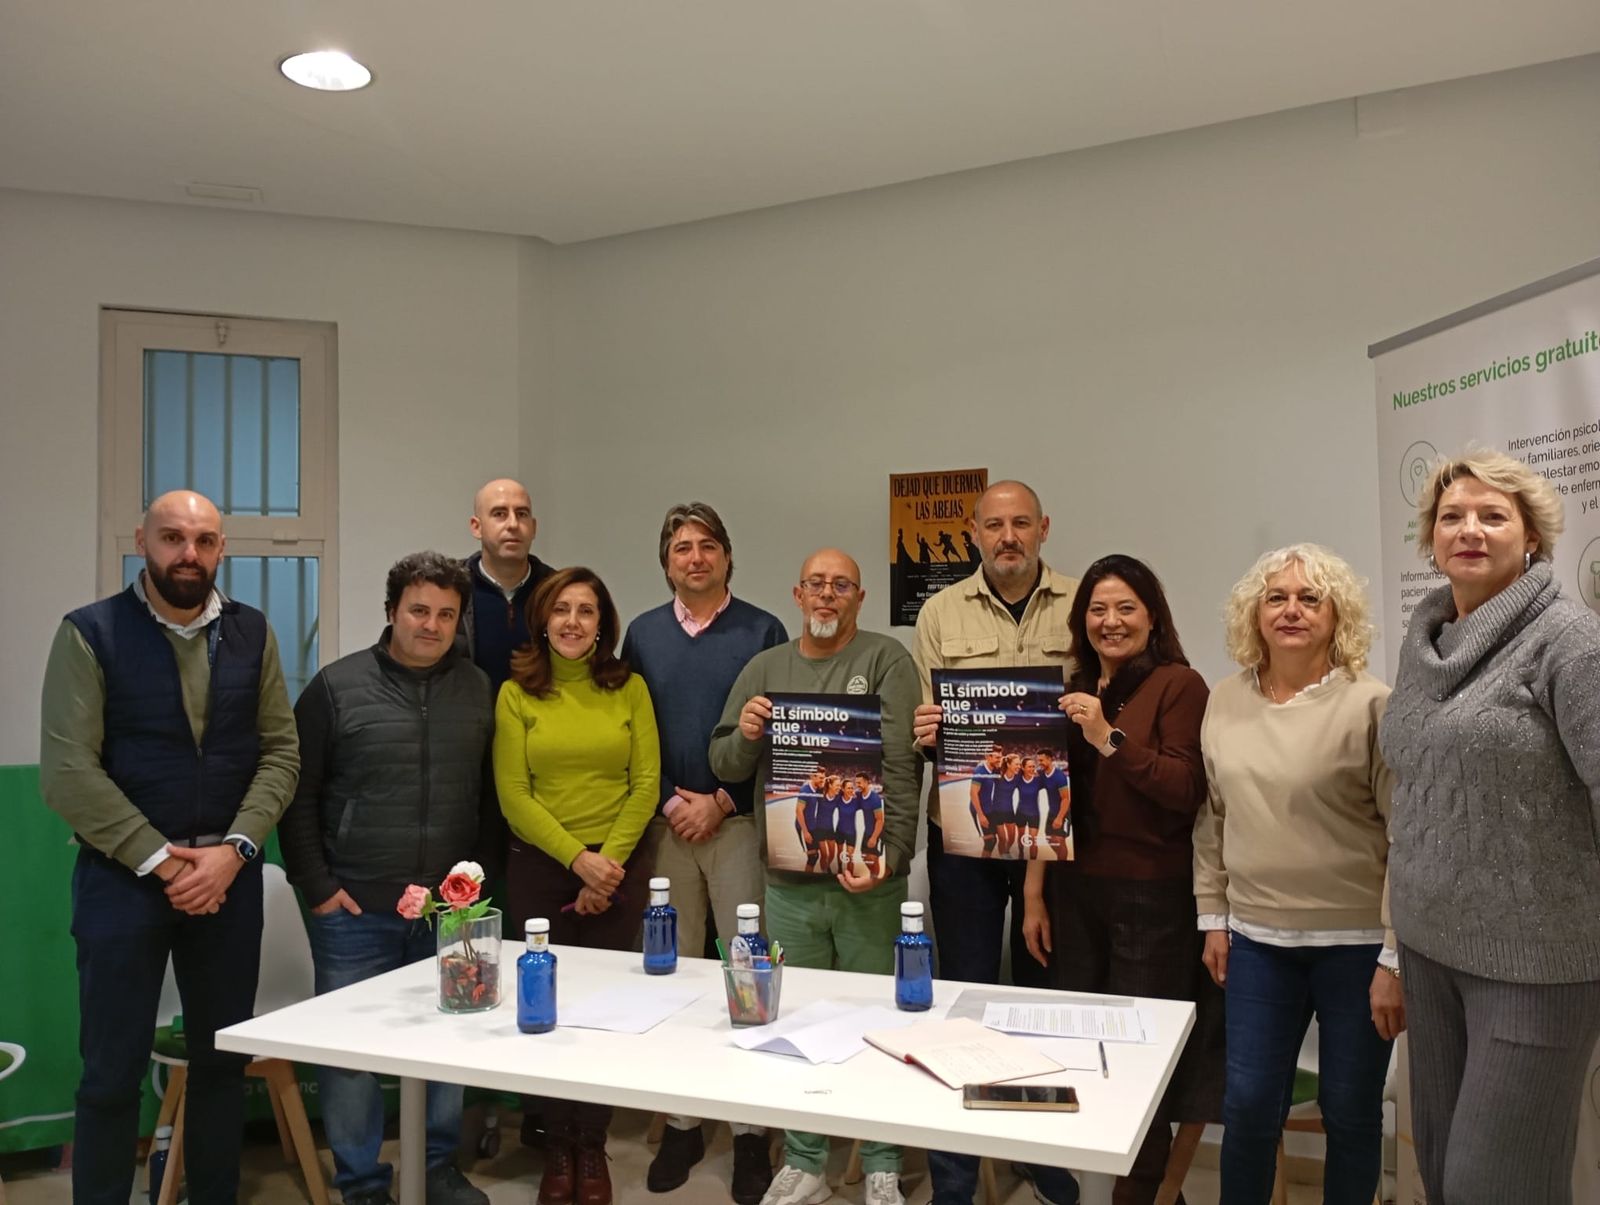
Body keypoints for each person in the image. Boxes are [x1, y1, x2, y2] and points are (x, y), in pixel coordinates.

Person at [38, 490, 299, 1205]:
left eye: (206, 540)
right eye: (173, 537)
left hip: (228, 879)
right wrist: (159, 858)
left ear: (222, 549)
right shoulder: (90, 633)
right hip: (121, 882)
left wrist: (234, 850)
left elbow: (280, 751)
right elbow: (68, 772)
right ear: (142, 541)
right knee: (110, 1075)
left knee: (221, 1065)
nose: (190, 553)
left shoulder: (253, 632)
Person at [1380, 451, 1600, 1205]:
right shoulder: (1424, 644)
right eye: (1451, 516)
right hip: (1429, 947)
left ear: (1532, 535)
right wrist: (1393, 948)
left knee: (1497, 1185)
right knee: (1440, 1172)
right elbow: (1413, 799)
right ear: (1431, 539)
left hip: (1535, 961)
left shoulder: (1569, 641)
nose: (1469, 528)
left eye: (1493, 514)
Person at [278, 552, 496, 1205]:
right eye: (419, 610)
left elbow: (491, 796)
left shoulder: (479, 688)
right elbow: (297, 794)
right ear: (392, 611)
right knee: (350, 1053)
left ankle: (435, 1168)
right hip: (354, 907)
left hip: (450, 912)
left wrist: (476, 884)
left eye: (445, 614)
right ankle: (362, 1181)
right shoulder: (335, 687)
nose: (431, 625)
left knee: (450, 1038)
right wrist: (317, 885)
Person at [709, 549, 920, 1205]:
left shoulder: (887, 660)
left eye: (842, 586)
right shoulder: (765, 667)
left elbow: (903, 765)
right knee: (797, 1026)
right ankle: (804, 1159)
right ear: (798, 594)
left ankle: (881, 1160)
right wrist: (745, 734)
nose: (827, 596)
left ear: (858, 597)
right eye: (817, 585)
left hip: (868, 880)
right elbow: (723, 761)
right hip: (790, 887)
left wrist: (895, 854)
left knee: (876, 1022)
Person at [1192, 544, 1399, 1205]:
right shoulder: (1224, 700)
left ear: (1339, 615)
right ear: (1253, 614)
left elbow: (1406, 837)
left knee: (1350, 1110)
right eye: (1276, 597)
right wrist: (1212, 916)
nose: (1292, 610)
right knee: (1249, 1106)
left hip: (1357, 944)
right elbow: (1212, 817)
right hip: (1257, 942)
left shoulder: (1373, 704)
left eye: (1311, 598)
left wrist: (1394, 954)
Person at [1021, 554, 1214, 1205]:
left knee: (1143, 1067)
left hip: (1152, 898)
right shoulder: (1069, 688)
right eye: (1098, 609)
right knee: (1084, 1054)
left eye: (1126, 607)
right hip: (1074, 895)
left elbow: (1184, 787)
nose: (1111, 620)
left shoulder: (1179, 683)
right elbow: (1048, 802)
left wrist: (1108, 735)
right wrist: (1033, 893)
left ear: (1152, 615)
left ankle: (1140, 1197)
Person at [911, 480, 1079, 1205]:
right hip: (963, 824)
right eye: (993, 526)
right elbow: (928, 724)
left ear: (1043, 527)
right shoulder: (940, 612)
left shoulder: (1083, 602)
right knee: (966, 992)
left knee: (1043, 996)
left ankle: (1038, 1154)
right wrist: (928, 733)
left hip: (1052, 826)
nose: (1007, 536)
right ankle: (955, 1172)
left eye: (1020, 523)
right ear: (973, 534)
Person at [620, 502, 786, 1201]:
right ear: (666, 561)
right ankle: (685, 1121)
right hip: (666, 825)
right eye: (682, 547)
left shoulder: (762, 629)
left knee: (747, 967)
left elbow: (777, 734)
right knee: (677, 970)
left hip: (738, 822)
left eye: (708, 545)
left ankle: (751, 1133)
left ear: (726, 556)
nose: (695, 557)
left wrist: (720, 800)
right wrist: (669, 802)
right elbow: (627, 726)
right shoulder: (642, 634)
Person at [495, 566, 661, 1205]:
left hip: (621, 866)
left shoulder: (630, 688)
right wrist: (577, 861)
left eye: (586, 611)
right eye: (561, 609)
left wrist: (606, 865)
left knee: (604, 1014)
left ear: (602, 624)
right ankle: (555, 1144)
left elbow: (645, 782)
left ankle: (590, 1146)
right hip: (541, 867)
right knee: (545, 1008)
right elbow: (514, 794)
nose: (572, 621)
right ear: (542, 619)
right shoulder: (515, 694)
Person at [461, 478, 554, 694]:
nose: (513, 524)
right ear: (477, 527)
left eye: (522, 514)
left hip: (538, 723)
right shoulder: (450, 589)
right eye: (499, 514)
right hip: (467, 724)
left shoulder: (557, 591)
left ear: (533, 527)